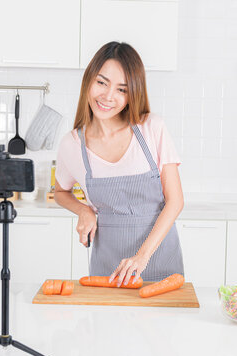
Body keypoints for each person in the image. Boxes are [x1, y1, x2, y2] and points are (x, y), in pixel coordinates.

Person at [54, 41, 184, 286]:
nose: (108, 96)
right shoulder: (71, 145)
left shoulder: (151, 128)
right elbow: (60, 192)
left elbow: (175, 201)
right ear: (89, 80)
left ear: (132, 94)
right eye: (102, 83)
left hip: (160, 262)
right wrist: (83, 210)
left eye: (121, 89)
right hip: (107, 270)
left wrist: (141, 257)